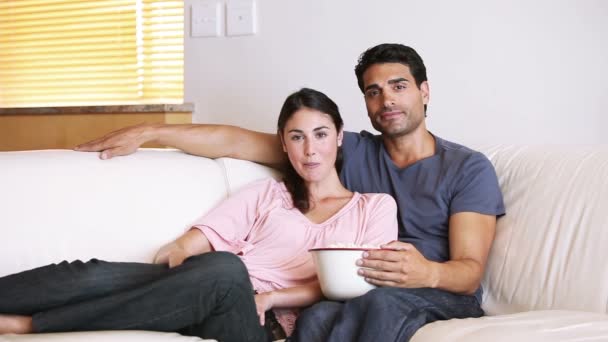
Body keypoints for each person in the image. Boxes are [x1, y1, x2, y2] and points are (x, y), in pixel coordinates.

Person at [74, 43, 505, 341]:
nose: (387, 100)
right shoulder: (346, 148)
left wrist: (426, 273)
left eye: (399, 86)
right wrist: (152, 131)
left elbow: (468, 271)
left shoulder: (466, 168)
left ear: (424, 91)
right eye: (373, 92)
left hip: (431, 291)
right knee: (316, 319)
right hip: (363, 284)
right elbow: (237, 142)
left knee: (382, 305)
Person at [0, 88, 398, 341]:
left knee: (226, 271)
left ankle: (29, 326)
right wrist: (176, 260)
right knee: (90, 272)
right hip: (200, 292)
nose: (310, 149)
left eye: (321, 134)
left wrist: (271, 296)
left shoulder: (374, 208)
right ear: (284, 144)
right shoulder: (266, 195)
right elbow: (190, 244)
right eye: (297, 137)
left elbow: (352, 283)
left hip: (261, 323)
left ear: (339, 136)